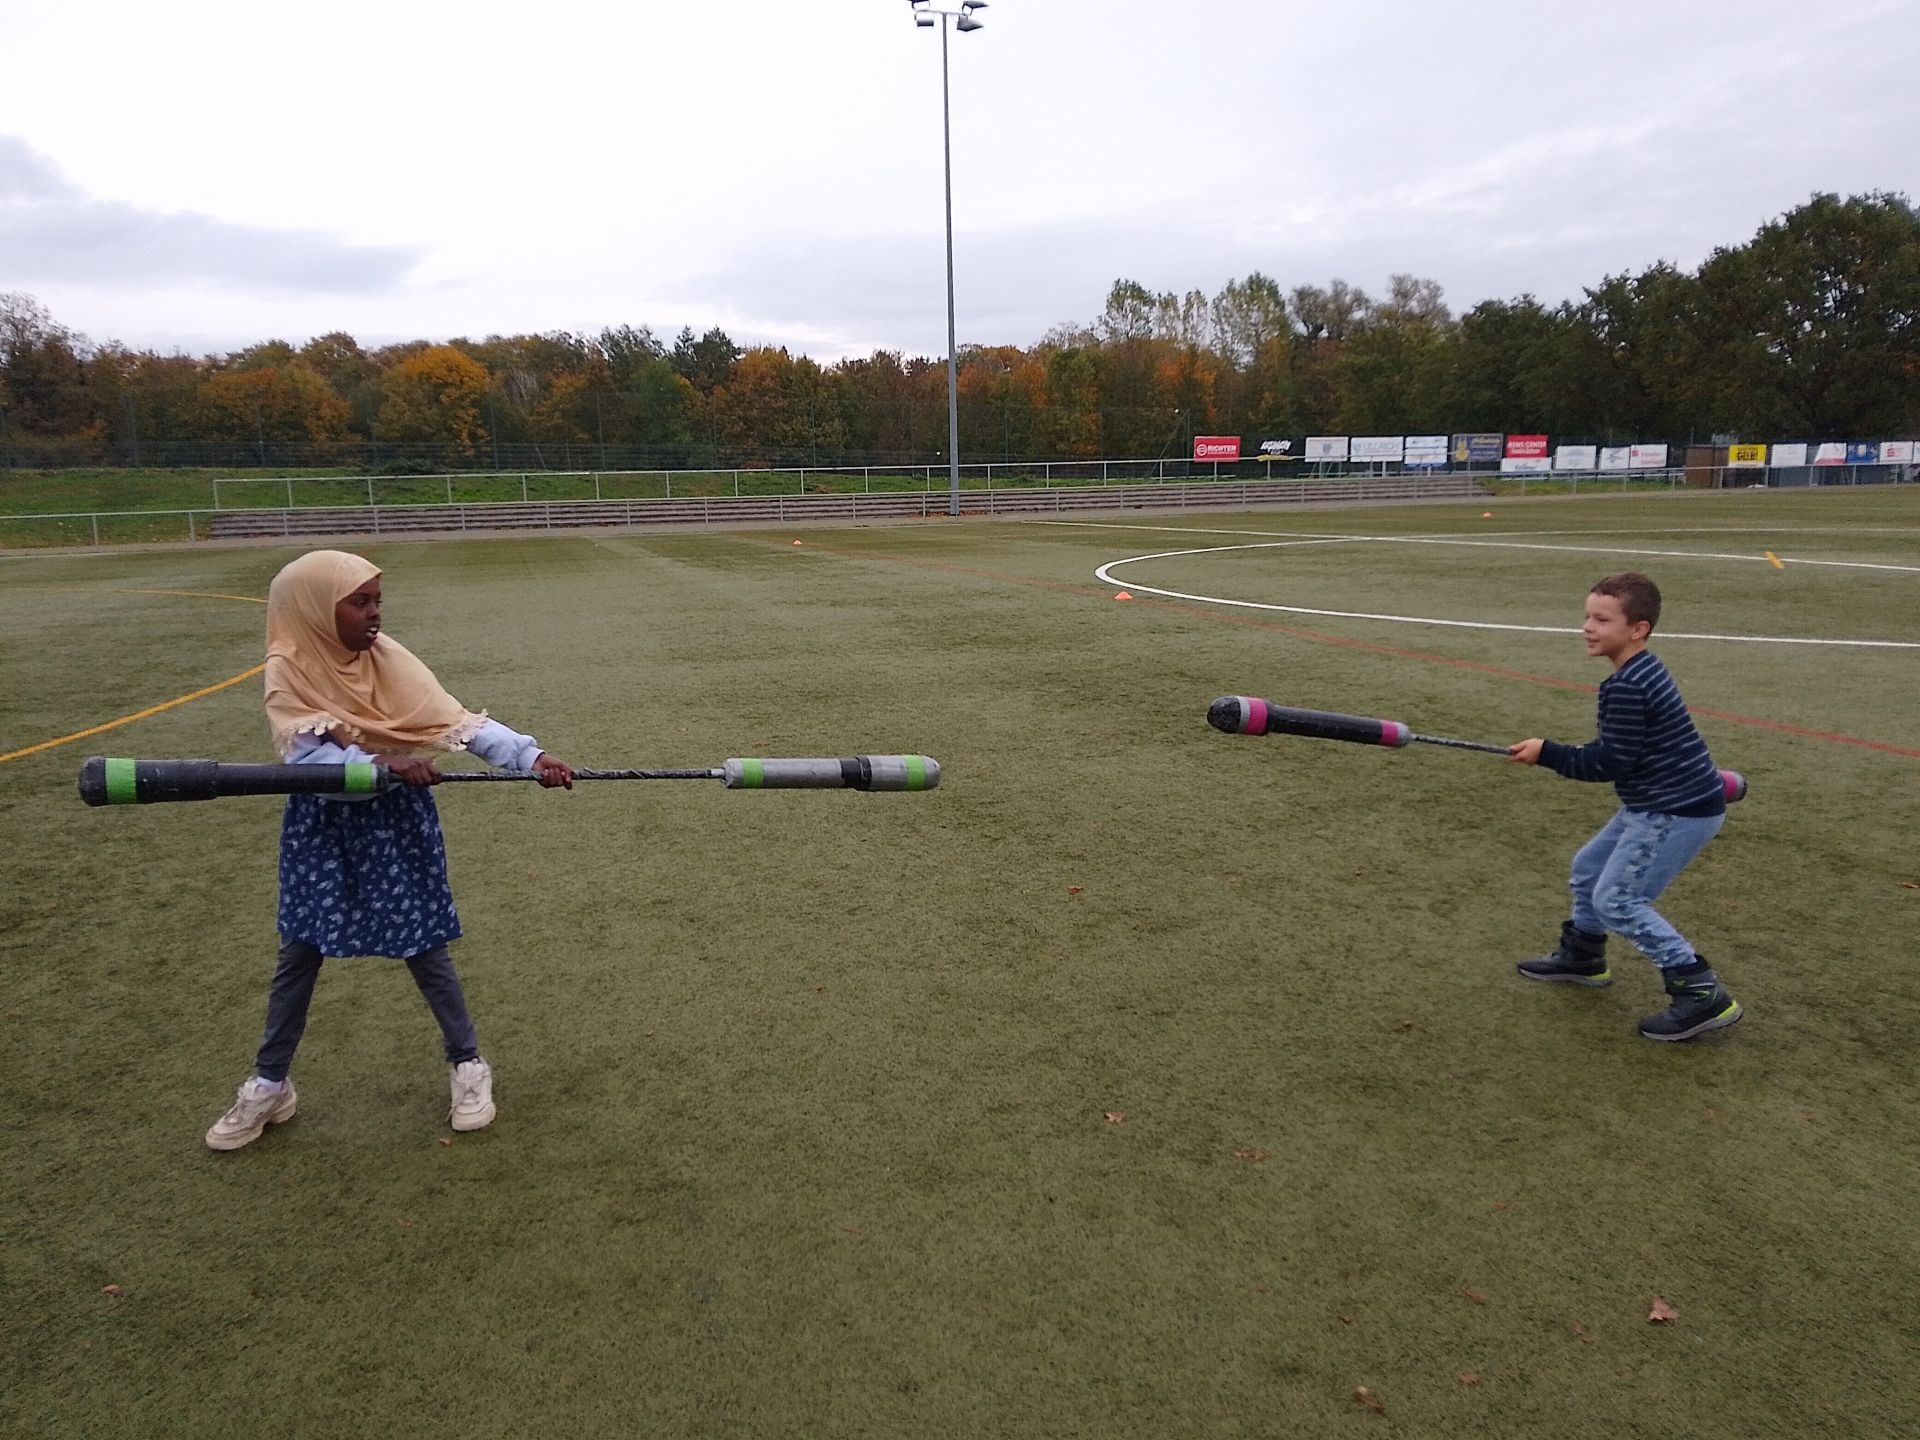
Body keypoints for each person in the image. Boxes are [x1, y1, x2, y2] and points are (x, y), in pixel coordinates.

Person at [205, 550, 574, 1150]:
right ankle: (270, 1085)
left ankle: (468, 1064)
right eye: (359, 602)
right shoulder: (289, 667)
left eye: (377, 600)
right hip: (323, 824)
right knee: (300, 952)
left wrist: (531, 757)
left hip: (394, 821)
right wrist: (380, 762)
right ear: (314, 610)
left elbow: (458, 722)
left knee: (423, 945)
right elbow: (309, 761)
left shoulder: (389, 659)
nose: (374, 613)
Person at [1508, 571, 1741, 1041]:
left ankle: (1700, 991)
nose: (1587, 627)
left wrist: (1547, 752)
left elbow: (1608, 763)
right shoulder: (1640, 671)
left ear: (1639, 629)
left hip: (1674, 810)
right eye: (1587, 617)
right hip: (1655, 801)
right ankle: (1584, 956)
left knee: (1617, 900)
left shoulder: (1629, 686)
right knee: (1588, 868)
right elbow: (1623, 753)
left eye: (1602, 619)